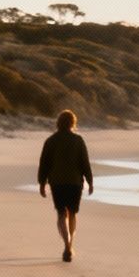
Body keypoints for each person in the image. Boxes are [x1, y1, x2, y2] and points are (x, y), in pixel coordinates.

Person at [37, 110, 94, 262]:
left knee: (62, 214)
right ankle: (70, 245)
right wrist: (90, 181)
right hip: (75, 183)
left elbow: (44, 164)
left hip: (57, 183)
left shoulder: (51, 140)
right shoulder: (78, 140)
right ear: (72, 123)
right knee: (73, 214)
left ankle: (67, 245)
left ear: (58, 123)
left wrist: (42, 183)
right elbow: (85, 162)